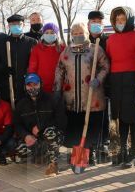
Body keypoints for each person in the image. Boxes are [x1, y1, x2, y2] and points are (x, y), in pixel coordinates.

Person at [54, 22, 110, 165]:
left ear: (86, 34)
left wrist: (98, 79)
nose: (78, 36)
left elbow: (105, 66)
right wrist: (57, 89)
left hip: (92, 97)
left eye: (81, 33)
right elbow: (59, 71)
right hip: (72, 98)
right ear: (72, 35)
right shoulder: (66, 52)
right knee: (75, 126)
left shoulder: (95, 49)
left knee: (91, 126)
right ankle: (77, 154)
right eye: (75, 33)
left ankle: (90, 153)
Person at [106, 6, 135, 168]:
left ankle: (134, 152)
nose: (120, 22)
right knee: (121, 117)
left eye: (123, 19)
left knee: (133, 117)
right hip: (116, 82)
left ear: (129, 19)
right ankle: (123, 150)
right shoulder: (111, 39)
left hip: (133, 81)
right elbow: (108, 62)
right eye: (117, 20)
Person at [14, 73, 67, 175]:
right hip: (34, 138)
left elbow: (62, 120)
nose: (32, 88)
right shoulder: (21, 104)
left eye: (35, 84)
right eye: (29, 85)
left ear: (40, 85)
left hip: (53, 136)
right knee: (20, 149)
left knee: (50, 133)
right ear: (25, 87)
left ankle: (53, 164)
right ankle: (41, 155)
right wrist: (26, 136)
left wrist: (41, 126)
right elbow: (17, 124)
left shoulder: (52, 99)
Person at [0, 14, 37, 103]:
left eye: (18, 24)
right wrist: (3, 68)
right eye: (13, 24)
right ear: (8, 26)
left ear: (23, 25)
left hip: (26, 85)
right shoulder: (2, 43)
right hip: (7, 85)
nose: (16, 26)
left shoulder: (31, 42)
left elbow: (36, 63)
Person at [87, 10, 111, 158]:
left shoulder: (108, 41)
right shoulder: (83, 40)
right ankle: (90, 144)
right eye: (93, 22)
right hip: (87, 86)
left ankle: (104, 142)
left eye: (99, 22)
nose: (96, 24)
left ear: (103, 24)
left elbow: (109, 63)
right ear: (88, 24)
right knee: (89, 117)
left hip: (104, 84)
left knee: (103, 115)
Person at [28, 23, 65, 94]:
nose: (49, 34)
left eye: (52, 32)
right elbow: (32, 68)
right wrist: (33, 82)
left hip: (59, 86)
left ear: (56, 35)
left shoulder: (62, 49)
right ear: (43, 34)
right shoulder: (37, 49)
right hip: (41, 85)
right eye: (47, 32)